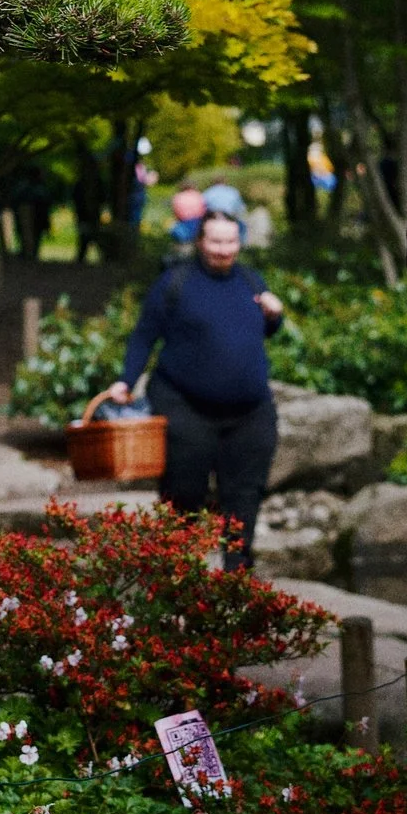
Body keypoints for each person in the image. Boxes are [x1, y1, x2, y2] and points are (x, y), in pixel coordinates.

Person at [106, 205, 286, 567]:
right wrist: (126, 379)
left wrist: (275, 315)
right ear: (200, 241)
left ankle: (236, 583)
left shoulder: (252, 281)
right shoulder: (175, 282)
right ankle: (178, 578)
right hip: (185, 406)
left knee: (244, 497)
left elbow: (260, 330)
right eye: (216, 241)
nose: (224, 249)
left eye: (231, 241)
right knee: (184, 494)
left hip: (250, 413)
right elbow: (144, 335)